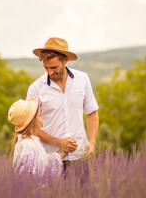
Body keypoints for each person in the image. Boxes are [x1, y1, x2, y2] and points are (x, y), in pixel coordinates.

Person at [26, 37, 99, 171]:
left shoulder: (82, 79)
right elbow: (29, 128)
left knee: (81, 193)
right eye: (46, 67)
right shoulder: (35, 88)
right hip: (50, 159)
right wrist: (59, 143)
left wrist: (92, 142)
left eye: (54, 67)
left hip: (80, 158)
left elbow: (92, 112)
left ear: (65, 60)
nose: (50, 72)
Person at [8, 98, 69, 178]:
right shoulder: (27, 144)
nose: (41, 118)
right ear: (32, 121)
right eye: (39, 116)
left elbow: (42, 162)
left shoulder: (32, 141)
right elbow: (31, 174)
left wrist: (63, 152)